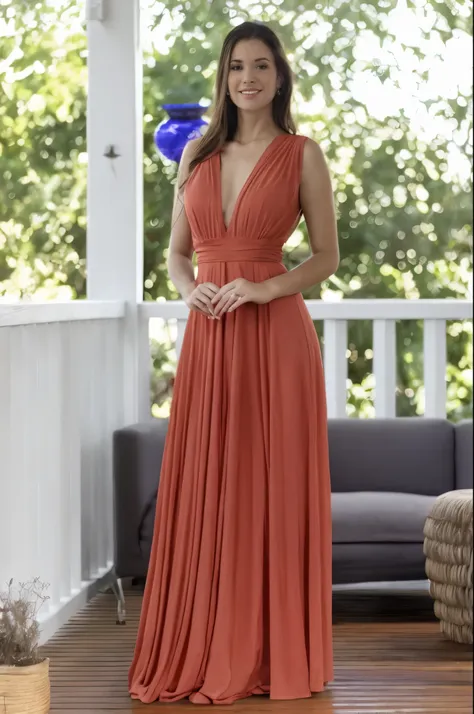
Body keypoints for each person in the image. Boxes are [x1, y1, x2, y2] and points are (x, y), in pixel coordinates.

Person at [129, 19, 339, 706]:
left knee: (268, 485)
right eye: (235, 68)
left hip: (275, 336)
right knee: (211, 488)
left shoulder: (302, 154)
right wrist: (195, 296)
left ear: (279, 77)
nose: (247, 78)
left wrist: (262, 287)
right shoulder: (197, 152)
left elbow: (327, 257)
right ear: (224, 79)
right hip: (210, 337)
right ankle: (207, 640)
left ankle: (268, 651)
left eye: (260, 66)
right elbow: (177, 256)